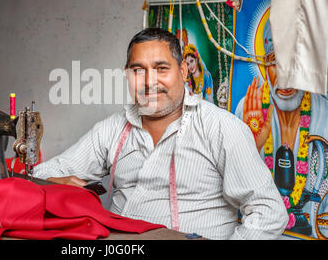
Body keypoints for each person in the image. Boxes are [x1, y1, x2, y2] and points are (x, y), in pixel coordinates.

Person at [34, 28, 288, 240]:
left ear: (183, 70)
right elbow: (40, 175)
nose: (148, 82)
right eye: (138, 70)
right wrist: (56, 184)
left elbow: (269, 212)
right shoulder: (112, 129)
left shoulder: (221, 128)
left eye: (161, 68)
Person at [235, 20, 328, 237]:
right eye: (274, 60)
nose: (285, 75)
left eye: (293, 61)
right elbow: (232, 189)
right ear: (264, 66)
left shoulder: (324, 114)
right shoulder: (249, 109)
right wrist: (253, 144)